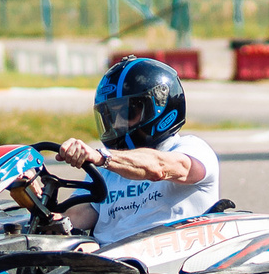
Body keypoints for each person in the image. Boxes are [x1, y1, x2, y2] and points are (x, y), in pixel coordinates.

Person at [55, 56, 220, 243]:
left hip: (168, 261)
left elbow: (159, 167)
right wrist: (33, 198)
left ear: (159, 106)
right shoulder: (106, 170)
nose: (117, 123)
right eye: (111, 116)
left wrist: (102, 157)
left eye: (127, 113)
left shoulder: (191, 148)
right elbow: (73, 220)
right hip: (107, 262)